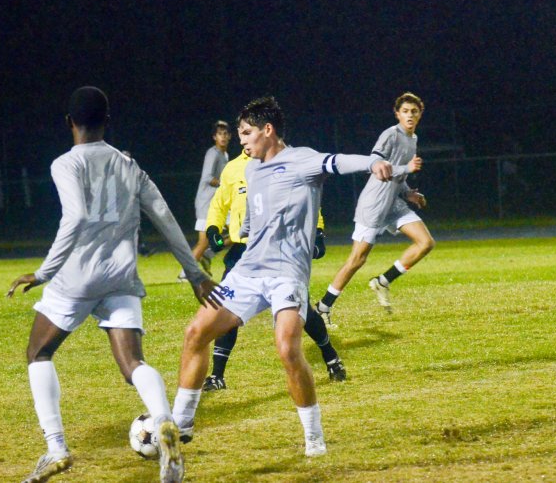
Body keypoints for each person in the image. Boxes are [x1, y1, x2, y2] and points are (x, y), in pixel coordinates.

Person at [170, 96, 418, 457]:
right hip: (249, 270)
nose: (242, 140)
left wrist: (374, 162)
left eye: (247, 133)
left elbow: (337, 161)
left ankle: (314, 439)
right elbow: (255, 220)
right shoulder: (251, 169)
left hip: (287, 275)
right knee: (196, 332)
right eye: (240, 134)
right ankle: (180, 426)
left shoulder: (301, 160)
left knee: (287, 347)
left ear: (267, 131)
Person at [7, 86, 215, 483]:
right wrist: (195, 273)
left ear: (69, 123)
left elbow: (75, 216)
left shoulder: (66, 164)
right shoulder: (129, 165)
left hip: (77, 278)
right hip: (120, 274)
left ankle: (56, 449)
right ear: (108, 122)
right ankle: (165, 422)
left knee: (38, 353)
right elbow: (164, 217)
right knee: (132, 362)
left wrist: (44, 272)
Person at [201, 147, 346, 392]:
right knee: (226, 310)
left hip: (279, 249)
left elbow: (308, 197)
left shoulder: (287, 161)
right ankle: (217, 376)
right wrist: (213, 228)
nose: (247, 138)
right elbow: (219, 203)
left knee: (301, 311)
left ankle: (331, 357)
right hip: (242, 253)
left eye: (251, 131)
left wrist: (318, 232)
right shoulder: (233, 168)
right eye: (243, 132)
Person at [315, 92, 432, 322]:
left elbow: (398, 172)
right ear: (397, 113)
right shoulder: (390, 134)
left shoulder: (413, 139)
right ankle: (323, 306)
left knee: (426, 242)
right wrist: (406, 169)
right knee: (357, 260)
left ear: (420, 115)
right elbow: (375, 166)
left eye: (414, 111)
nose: (410, 115)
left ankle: (383, 281)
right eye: (405, 111)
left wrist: (408, 192)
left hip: (394, 203)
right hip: (374, 204)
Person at [177, 121, 231, 282]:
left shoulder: (225, 155)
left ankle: (210, 253)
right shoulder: (212, 153)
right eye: (220, 134)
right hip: (206, 203)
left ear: (230, 136)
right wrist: (227, 185)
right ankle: (185, 273)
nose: (223, 137)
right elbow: (208, 178)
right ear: (214, 137)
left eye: (226, 134)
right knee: (203, 242)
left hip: (218, 203)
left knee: (238, 231)